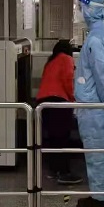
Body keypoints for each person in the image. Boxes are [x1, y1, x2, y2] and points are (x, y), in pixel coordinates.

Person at [74, 0, 104, 207]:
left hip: (93, 106)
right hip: (96, 104)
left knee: (97, 153)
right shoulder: (102, 33)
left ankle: (100, 199)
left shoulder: (95, 39)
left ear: (90, 9)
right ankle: (100, 195)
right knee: (99, 151)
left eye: (80, 7)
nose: (79, 12)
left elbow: (102, 76)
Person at [36, 40, 82, 185]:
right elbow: (68, 80)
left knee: (53, 138)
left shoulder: (50, 61)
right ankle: (64, 173)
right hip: (58, 101)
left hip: (43, 103)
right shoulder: (66, 59)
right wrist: (73, 98)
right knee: (62, 138)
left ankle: (54, 170)